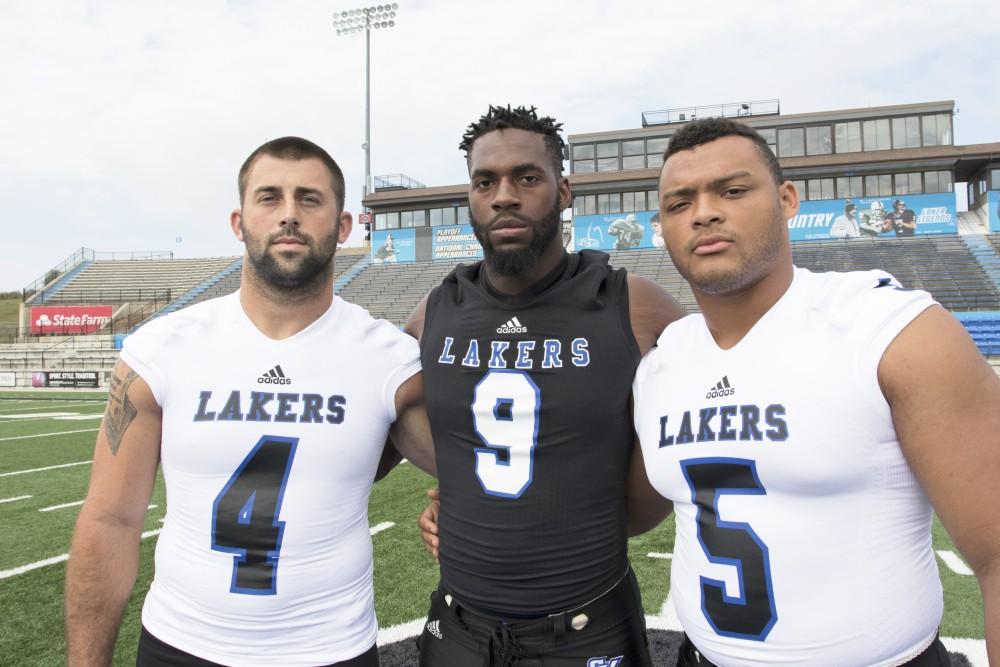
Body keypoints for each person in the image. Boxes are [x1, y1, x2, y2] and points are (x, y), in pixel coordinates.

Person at [631, 118, 1000, 666]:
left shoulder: (890, 331)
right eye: (679, 203)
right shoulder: (661, 365)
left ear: (786, 200)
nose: (704, 212)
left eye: (732, 191)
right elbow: (630, 511)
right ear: (662, 226)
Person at [65, 137, 435, 667]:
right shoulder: (161, 349)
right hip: (180, 645)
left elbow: (485, 468)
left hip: (330, 650)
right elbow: (111, 520)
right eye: (269, 198)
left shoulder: (390, 359)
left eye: (309, 199)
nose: (289, 215)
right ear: (239, 222)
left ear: (345, 225)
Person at [408, 105, 685, 666]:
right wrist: (456, 488)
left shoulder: (632, 303)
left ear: (563, 191)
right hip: (459, 625)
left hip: (588, 625)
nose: (504, 195)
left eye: (526, 178)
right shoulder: (434, 310)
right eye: (485, 181)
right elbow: (381, 414)